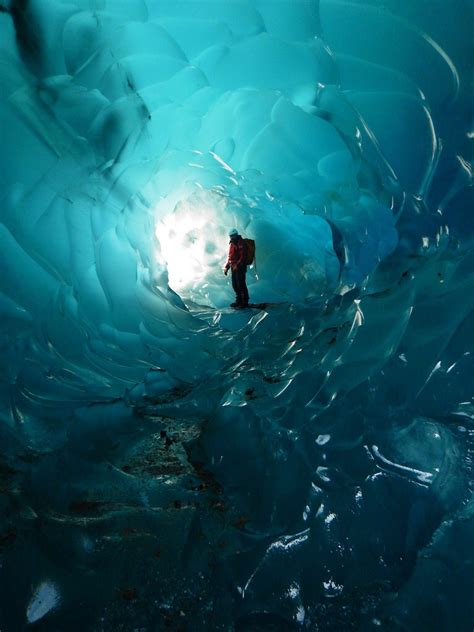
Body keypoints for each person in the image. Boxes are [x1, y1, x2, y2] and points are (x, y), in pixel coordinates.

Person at [224, 228, 249, 308]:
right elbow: (231, 257)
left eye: (233, 236)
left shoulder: (241, 242)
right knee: (235, 285)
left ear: (236, 235)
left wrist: (237, 265)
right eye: (230, 236)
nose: (231, 237)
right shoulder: (231, 244)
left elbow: (243, 256)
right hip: (233, 267)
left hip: (240, 267)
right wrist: (227, 267)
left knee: (241, 284)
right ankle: (238, 301)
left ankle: (244, 302)